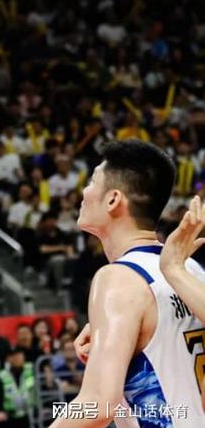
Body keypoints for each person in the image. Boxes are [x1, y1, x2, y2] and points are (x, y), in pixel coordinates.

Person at [49, 140, 205, 427]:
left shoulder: (118, 278)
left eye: (92, 181)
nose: (84, 192)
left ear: (113, 199)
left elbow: (98, 405)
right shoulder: (190, 270)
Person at [0, 349, 34, 428]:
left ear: (23, 357)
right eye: (13, 356)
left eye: (19, 355)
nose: (16, 358)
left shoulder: (32, 368)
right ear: (8, 359)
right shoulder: (3, 374)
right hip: (11, 415)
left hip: (31, 412)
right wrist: (0, 410)